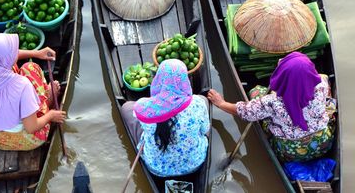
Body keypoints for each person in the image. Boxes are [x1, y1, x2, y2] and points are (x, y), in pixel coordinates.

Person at [207, 52, 336, 162]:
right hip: (323, 143)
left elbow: (244, 111)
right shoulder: (321, 86)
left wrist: (221, 103)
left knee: (256, 91)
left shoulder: (272, 103)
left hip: (289, 153)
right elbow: (313, 76)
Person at [0, 33, 66, 151]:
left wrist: (37, 53)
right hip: (15, 137)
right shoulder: (23, 86)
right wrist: (51, 116)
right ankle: (47, 101)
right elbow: (31, 128)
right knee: (31, 68)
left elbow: (11, 55)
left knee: (28, 67)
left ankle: (40, 104)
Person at [121, 59, 210, 177]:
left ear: (159, 80)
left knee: (126, 107)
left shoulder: (144, 108)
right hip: (195, 164)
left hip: (156, 168)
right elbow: (204, 130)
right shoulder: (198, 104)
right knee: (204, 100)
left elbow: (140, 115)